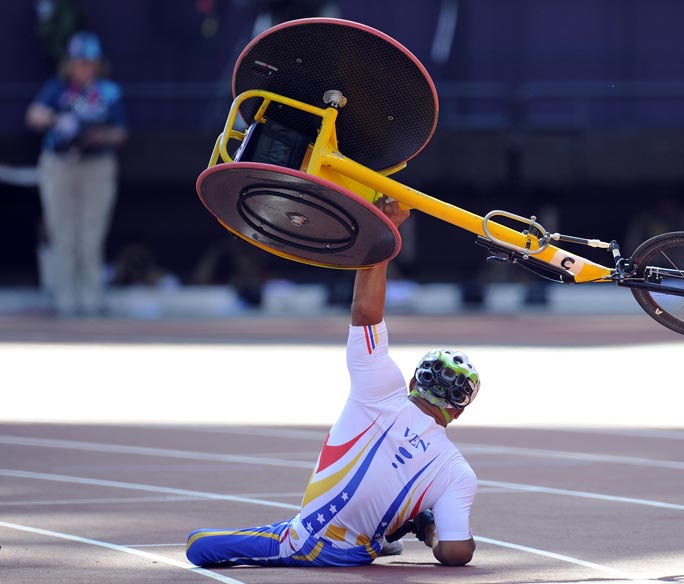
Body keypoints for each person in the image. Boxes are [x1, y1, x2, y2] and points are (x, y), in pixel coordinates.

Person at [185, 197, 479, 568]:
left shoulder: (380, 387)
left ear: (412, 383)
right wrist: (431, 530)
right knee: (408, 514)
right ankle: (399, 528)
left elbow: (365, 313)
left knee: (198, 545)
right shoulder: (456, 470)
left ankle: (395, 527)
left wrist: (384, 234)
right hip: (360, 552)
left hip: (306, 541)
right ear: (457, 410)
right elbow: (455, 553)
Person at [25, 31, 127, 316]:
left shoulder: (108, 91)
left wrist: (96, 135)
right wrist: (59, 120)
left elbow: (120, 133)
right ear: (70, 63)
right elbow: (33, 115)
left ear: (97, 63)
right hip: (59, 165)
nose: (83, 67)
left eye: (88, 62)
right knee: (62, 232)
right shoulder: (57, 88)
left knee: (91, 233)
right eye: (78, 62)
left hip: (96, 165)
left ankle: (92, 297)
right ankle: (65, 299)